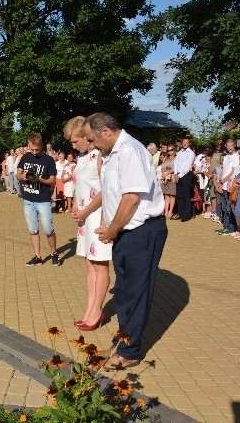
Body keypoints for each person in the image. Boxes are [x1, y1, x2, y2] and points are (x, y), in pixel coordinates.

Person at [83, 112, 167, 370]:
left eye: (92, 139)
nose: (91, 145)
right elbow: (113, 194)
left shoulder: (130, 150)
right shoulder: (112, 154)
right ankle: (122, 343)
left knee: (135, 293)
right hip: (126, 231)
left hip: (141, 231)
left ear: (106, 131)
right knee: (125, 292)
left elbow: (131, 198)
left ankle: (129, 352)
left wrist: (111, 230)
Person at [65, 116, 112, 332]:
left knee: (100, 264)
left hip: (98, 216)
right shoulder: (82, 158)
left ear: (86, 136)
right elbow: (79, 185)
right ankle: (89, 309)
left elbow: (107, 189)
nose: (73, 146)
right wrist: (75, 205)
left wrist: (85, 210)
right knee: (90, 265)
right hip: (84, 217)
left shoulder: (100, 156)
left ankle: (97, 311)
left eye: (75, 141)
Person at [16, 133, 60, 267]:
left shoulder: (48, 160)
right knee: (33, 230)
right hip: (28, 199)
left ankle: (53, 253)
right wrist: (23, 177)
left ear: (42, 145)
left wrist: (38, 179)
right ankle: (37, 256)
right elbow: (18, 175)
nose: (35, 152)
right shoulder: (25, 157)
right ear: (28, 145)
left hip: (43, 200)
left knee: (48, 229)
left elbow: (52, 180)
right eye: (32, 149)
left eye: (38, 149)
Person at [173, 136, 195, 221]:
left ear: (189, 143)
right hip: (178, 175)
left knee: (186, 195)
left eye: (187, 142)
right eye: (183, 142)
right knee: (180, 196)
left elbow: (187, 166)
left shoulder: (191, 153)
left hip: (186, 175)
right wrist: (175, 174)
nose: (185, 144)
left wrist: (179, 175)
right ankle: (180, 213)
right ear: (181, 143)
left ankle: (186, 214)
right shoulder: (179, 152)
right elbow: (176, 163)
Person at [160, 145, 177, 219]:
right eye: (168, 150)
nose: (170, 152)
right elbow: (163, 167)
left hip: (172, 178)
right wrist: (163, 174)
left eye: (171, 150)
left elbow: (175, 168)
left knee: (172, 195)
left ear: (174, 150)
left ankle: (170, 211)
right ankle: (166, 211)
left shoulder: (176, 159)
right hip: (166, 178)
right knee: (166, 195)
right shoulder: (165, 159)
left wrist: (168, 172)